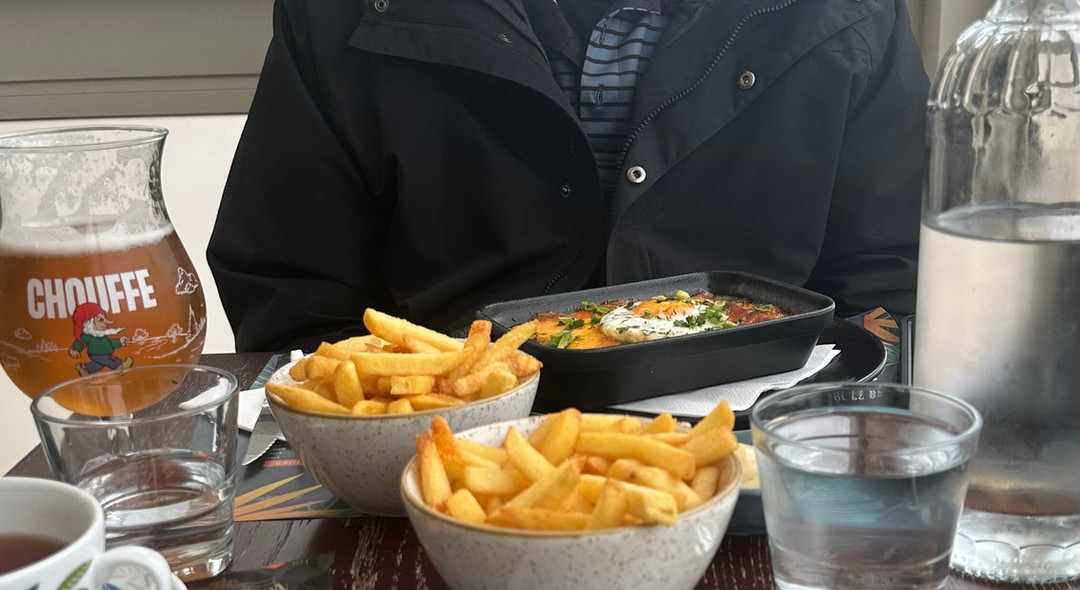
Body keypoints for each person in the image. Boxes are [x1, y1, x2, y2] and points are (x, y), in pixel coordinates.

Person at [208, 0, 929, 352]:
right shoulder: (340, 11)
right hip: (434, 460)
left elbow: (887, 286)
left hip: (760, 464)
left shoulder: (851, 14)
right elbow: (292, 293)